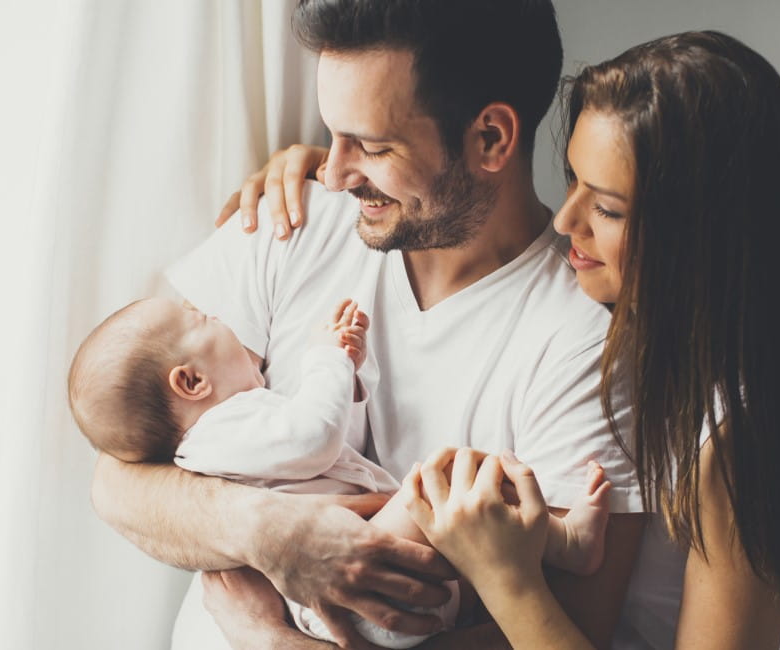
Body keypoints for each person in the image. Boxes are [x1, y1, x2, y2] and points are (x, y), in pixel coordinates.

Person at [90, 1, 651, 648]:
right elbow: (118, 479)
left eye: (373, 146)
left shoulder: (584, 342)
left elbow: (569, 628)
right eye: (333, 135)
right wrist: (273, 534)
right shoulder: (293, 216)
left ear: (491, 138)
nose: (331, 171)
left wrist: (273, 641)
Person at [392, 31, 780, 649]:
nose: (566, 221)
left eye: (610, 209)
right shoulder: (655, 355)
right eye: (572, 180)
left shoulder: (739, 445)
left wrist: (505, 576)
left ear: (704, 233)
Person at [69, 297, 614, 648]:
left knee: (461, 519)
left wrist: (347, 374)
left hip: (355, 604)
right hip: (356, 595)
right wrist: (325, 359)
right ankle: (565, 543)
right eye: (202, 318)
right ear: (190, 382)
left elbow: (329, 449)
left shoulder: (233, 437)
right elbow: (313, 438)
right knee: (443, 479)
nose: (219, 315)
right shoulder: (221, 430)